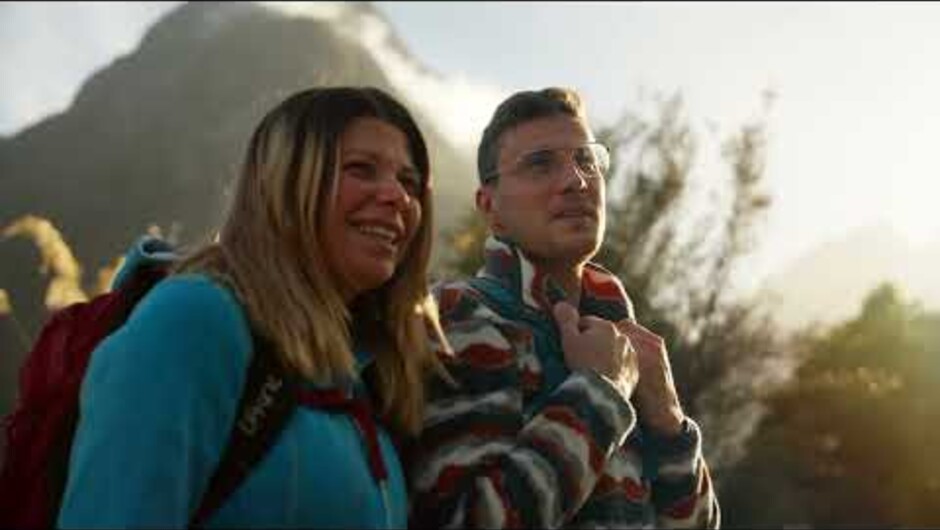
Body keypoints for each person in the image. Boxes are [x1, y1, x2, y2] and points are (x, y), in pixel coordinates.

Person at [56, 86, 446, 528]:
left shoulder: (370, 375)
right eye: (361, 168)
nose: (398, 196)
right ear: (284, 182)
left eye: (409, 182)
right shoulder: (195, 319)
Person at [407, 87, 720, 528]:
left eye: (586, 160)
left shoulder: (627, 343)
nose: (577, 180)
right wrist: (600, 393)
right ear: (490, 208)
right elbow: (467, 521)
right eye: (540, 164)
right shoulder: (458, 317)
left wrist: (670, 423)